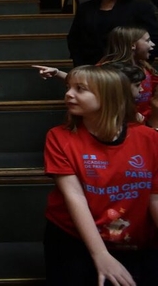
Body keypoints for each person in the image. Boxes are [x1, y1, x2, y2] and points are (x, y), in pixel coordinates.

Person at [43, 65, 158, 285]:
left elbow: (155, 196)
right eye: (68, 87)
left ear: (109, 95)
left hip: (135, 238)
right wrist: (100, 255)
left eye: (80, 89)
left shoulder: (148, 138)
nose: (68, 94)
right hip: (75, 237)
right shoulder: (59, 137)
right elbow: (75, 197)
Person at [68, 0, 158, 67]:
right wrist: (79, 64)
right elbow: (74, 38)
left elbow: (152, 36)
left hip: (128, 66)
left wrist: (144, 61)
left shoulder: (140, 8)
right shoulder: (86, 8)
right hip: (90, 66)